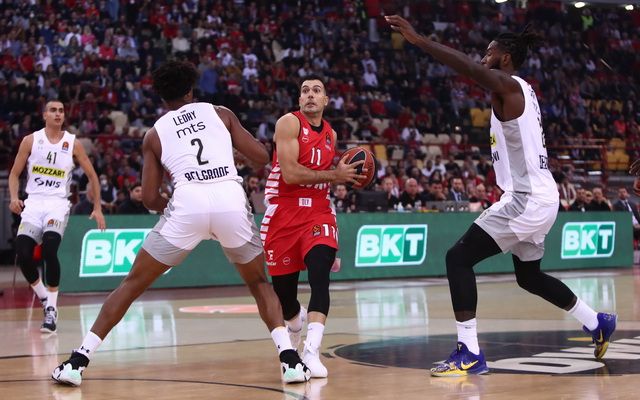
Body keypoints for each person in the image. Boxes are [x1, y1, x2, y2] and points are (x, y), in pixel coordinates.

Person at [52, 61, 310, 386]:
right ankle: (289, 360)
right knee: (259, 283)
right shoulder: (220, 113)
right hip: (230, 199)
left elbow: (149, 197)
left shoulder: (154, 134)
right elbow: (261, 156)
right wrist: (232, 154)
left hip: (188, 204)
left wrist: (176, 211)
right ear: (190, 90)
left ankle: (78, 362)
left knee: (131, 285)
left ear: (162, 97)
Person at [386, 15, 617, 377]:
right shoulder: (521, 90)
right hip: (542, 196)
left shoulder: (508, 85)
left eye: (489, 52)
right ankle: (596, 322)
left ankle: (469, 352)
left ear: (505, 58)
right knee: (529, 277)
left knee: (458, 258)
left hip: (526, 198)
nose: (483, 57)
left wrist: (420, 41)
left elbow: (466, 67)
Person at [261, 75, 365, 379]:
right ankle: (295, 324)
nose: (310, 94)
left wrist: (340, 178)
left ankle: (312, 350)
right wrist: (335, 175)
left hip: (318, 212)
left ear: (325, 100)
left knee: (321, 277)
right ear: (299, 99)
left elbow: (328, 178)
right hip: (284, 211)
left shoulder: (331, 134)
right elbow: (291, 174)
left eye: (316, 91)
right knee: (285, 297)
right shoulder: (289, 123)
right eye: (305, 90)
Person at [8, 100, 106, 333]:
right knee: (23, 254)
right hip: (33, 203)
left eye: (61, 110)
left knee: (49, 251)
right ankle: (44, 297)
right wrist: (13, 197)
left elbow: (93, 176)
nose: (58, 114)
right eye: (53, 110)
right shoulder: (31, 140)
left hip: (57, 204)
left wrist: (98, 207)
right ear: (44, 115)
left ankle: (51, 309)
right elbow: (14, 174)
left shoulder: (73, 143)